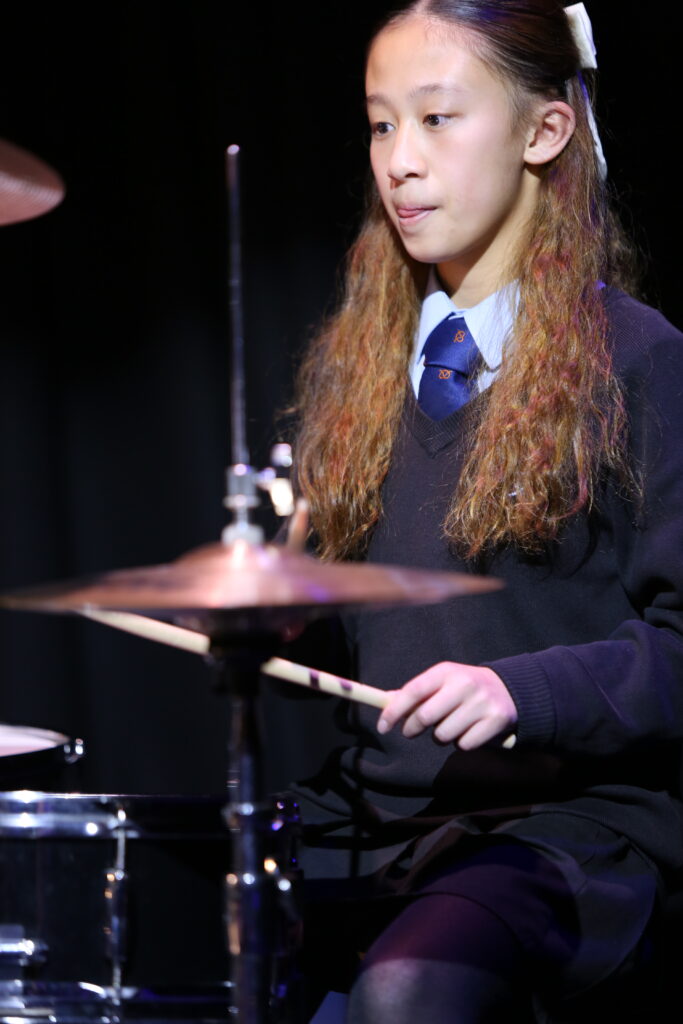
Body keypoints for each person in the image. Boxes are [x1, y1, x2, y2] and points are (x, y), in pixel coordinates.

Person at [286, 1, 683, 1020]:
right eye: (380, 124)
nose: (399, 161)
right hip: (376, 816)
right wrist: (274, 605)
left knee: (409, 988)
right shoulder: (357, 373)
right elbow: (363, 642)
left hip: (563, 825)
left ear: (543, 132)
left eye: (435, 118)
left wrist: (522, 690)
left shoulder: (638, 362)